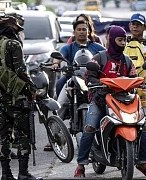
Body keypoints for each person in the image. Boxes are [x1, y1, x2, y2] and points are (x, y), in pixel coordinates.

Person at [74, 25, 137, 177]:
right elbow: (89, 75)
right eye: (120, 40)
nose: (123, 43)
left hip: (122, 101)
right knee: (89, 127)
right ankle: (81, 164)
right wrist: (98, 86)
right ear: (112, 40)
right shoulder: (99, 58)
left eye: (125, 40)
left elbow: (134, 77)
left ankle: (142, 162)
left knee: (143, 127)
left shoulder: (128, 61)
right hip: (100, 100)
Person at [0, 16, 41, 180]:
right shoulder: (14, 45)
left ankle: (6, 174)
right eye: (17, 29)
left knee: (4, 137)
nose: (18, 32)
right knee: (23, 135)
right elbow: (21, 70)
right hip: (18, 98)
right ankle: (23, 173)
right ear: (11, 28)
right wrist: (32, 87)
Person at [43, 20, 106, 151]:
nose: (82, 32)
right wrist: (56, 63)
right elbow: (59, 56)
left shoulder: (96, 47)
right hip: (73, 79)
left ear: (89, 32)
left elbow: (107, 56)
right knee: (59, 104)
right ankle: (55, 137)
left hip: (91, 81)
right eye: (79, 29)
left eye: (84, 29)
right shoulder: (69, 47)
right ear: (74, 32)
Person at [125, 12, 146, 177]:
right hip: (122, 91)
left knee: (144, 127)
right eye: (133, 24)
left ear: (145, 27)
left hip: (143, 93)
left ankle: (143, 162)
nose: (135, 26)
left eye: (138, 24)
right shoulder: (122, 42)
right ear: (129, 26)